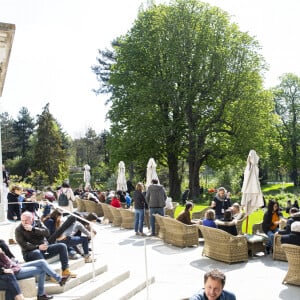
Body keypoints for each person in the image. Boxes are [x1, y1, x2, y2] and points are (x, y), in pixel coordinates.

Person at [15, 211, 76, 278]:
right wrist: (38, 247)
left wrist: (33, 229)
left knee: (62, 246)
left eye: (26, 220)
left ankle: (65, 270)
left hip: (44, 249)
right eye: (22, 220)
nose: (24, 222)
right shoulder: (18, 229)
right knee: (37, 252)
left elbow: (47, 233)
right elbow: (24, 245)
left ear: (32, 219)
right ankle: (51, 275)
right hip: (30, 254)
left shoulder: (38, 222)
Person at [0, 248, 70, 300]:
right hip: (14, 271)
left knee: (42, 262)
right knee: (42, 270)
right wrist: (2, 254)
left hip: (16, 265)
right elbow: (6, 265)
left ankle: (59, 279)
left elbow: (9, 258)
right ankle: (41, 294)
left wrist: (13, 260)